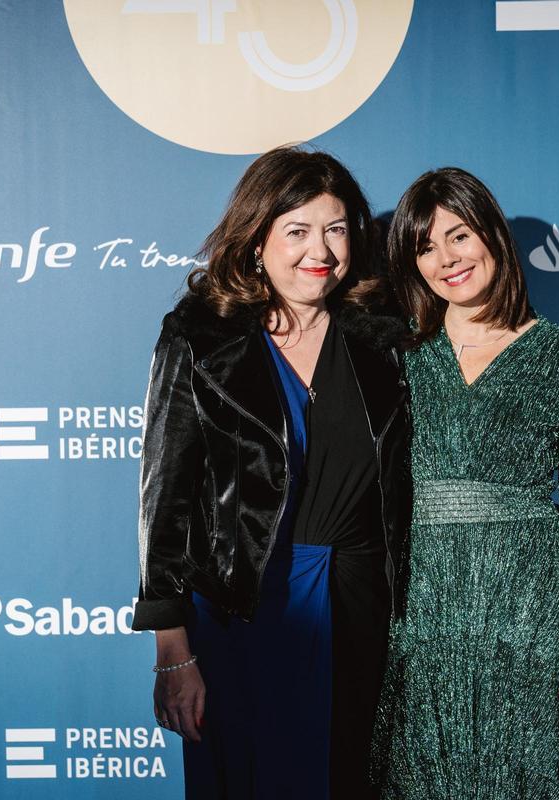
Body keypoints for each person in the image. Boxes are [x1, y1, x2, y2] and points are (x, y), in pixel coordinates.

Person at [131, 145, 411, 800]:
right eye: (298, 230)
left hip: (363, 613)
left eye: (337, 229)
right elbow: (164, 496)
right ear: (256, 240)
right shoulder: (199, 335)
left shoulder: (384, 334)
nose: (322, 249)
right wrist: (174, 652)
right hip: (242, 616)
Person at [372, 167, 559, 799]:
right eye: (425, 247)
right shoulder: (398, 356)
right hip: (422, 605)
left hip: (532, 608)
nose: (445, 259)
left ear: (492, 235)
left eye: (458, 236)